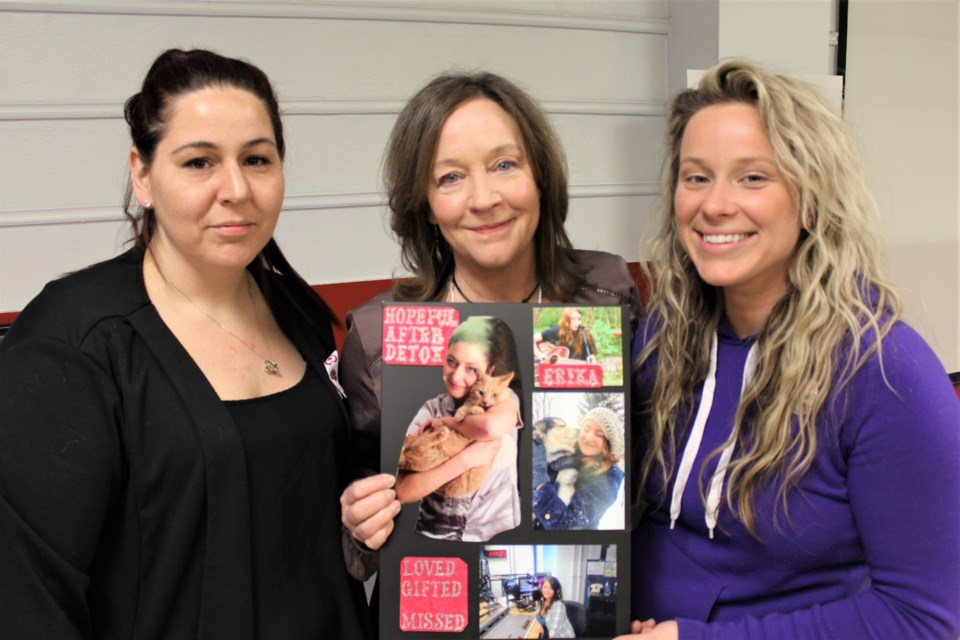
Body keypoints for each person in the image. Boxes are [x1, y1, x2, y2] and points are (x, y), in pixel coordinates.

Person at [0, 49, 373, 639]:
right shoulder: (75, 343)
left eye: (257, 159)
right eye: (199, 162)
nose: (236, 188)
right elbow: (26, 597)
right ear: (142, 174)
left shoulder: (295, 310)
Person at [620, 60, 960, 639]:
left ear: (811, 198)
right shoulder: (660, 338)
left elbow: (924, 620)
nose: (715, 205)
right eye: (696, 176)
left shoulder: (887, 372)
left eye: (753, 178)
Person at [339, 72, 642, 581]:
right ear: (426, 206)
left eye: (504, 165)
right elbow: (352, 543)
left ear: (540, 175)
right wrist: (357, 522)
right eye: (450, 177)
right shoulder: (377, 335)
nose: (484, 199)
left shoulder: (608, 291)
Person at [396, 316, 522, 541]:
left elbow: (489, 428)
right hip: (437, 536)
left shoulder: (502, 398)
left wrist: (448, 423)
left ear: (489, 371)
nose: (456, 376)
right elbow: (403, 490)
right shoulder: (432, 408)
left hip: (493, 534)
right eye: (451, 361)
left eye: (471, 369)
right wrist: (466, 459)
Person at [532, 406, 625, 529]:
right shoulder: (571, 454)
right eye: (586, 429)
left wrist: (539, 476)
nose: (588, 437)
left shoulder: (608, 481)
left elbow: (564, 524)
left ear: (608, 445)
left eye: (599, 434)